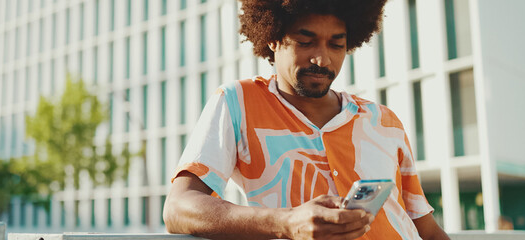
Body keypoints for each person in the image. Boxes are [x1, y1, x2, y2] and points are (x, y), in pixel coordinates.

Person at [163, 0, 450, 239]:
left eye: (336, 45)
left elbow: (424, 227)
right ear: (273, 38)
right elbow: (178, 208)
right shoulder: (238, 102)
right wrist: (286, 222)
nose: (322, 59)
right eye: (305, 41)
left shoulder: (384, 120)